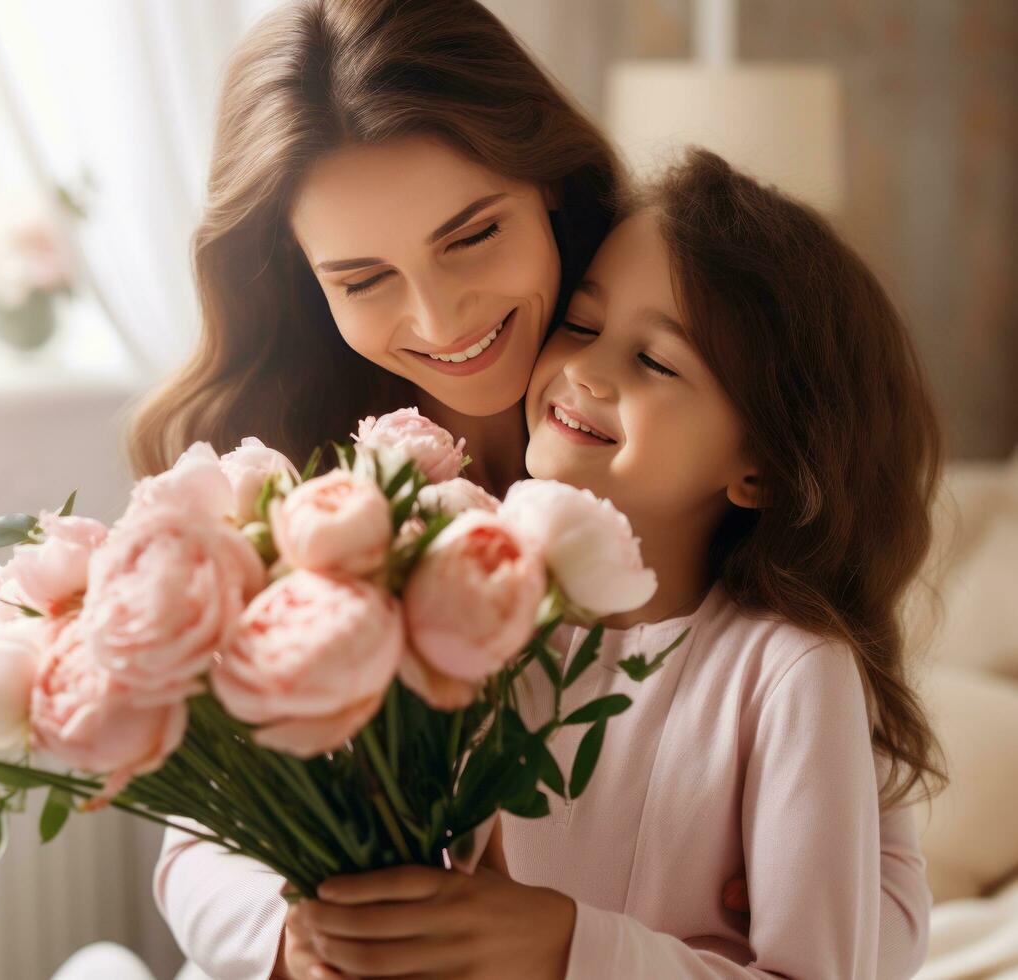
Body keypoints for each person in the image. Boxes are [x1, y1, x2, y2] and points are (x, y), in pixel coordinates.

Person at [138, 2, 935, 977]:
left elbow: (845, 899)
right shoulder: (314, 483)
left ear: (550, 191)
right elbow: (205, 828)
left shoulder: (673, 327)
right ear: (305, 283)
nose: (438, 314)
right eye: (361, 277)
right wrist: (297, 940)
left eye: (471, 235)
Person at [280, 149, 948, 979]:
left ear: (763, 467)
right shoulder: (441, 611)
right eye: (582, 326)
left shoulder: (789, 674)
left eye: (656, 362)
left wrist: (566, 948)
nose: (584, 371)